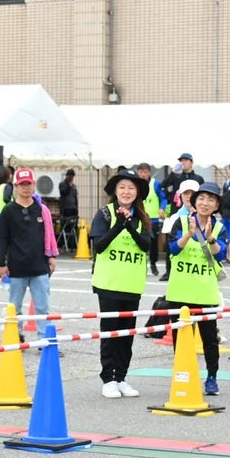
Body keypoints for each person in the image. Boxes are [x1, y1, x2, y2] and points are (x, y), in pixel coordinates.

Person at [89, 170, 153, 398]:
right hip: (109, 283)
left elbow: (146, 245)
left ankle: (121, 377)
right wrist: (119, 225)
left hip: (132, 285)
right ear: (115, 191)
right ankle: (108, 378)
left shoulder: (142, 217)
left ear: (137, 193)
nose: (126, 192)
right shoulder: (105, 214)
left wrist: (129, 226)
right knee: (110, 333)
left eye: (131, 188)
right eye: (122, 187)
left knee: (127, 334)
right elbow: (99, 245)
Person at [164, 181, 228, 394]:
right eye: (201, 198)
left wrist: (210, 238)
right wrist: (188, 235)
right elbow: (172, 250)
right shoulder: (180, 222)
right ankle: (183, 374)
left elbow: (221, 254)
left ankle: (212, 377)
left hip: (205, 293)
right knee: (181, 339)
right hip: (180, 291)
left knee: (210, 340)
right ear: (194, 201)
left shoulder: (219, 227)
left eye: (211, 199)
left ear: (216, 205)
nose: (205, 203)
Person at [0, 168, 58, 318]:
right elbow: (2, 238)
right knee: (14, 308)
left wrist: (52, 256)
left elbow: (48, 235)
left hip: (40, 267)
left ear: (34, 184)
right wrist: (1, 263)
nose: (26, 187)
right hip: (16, 268)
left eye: (28, 183)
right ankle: (17, 337)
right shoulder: (8, 211)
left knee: (42, 309)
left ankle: (44, 338)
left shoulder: (42, 209)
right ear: (16, 186)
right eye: (22, 184)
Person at [55, 169, 80, 255]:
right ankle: (63, 244)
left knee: (73, 228)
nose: (71, 178)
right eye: (70, 176)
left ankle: (73, 245)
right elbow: (63, 192)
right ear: (67, 176)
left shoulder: (74, 186)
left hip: (73, 209)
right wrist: (69, 186)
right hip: (65, 209)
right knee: (65, 227)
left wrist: (77, 208)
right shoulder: (62, 184)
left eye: (72, 176)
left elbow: (75, 198)